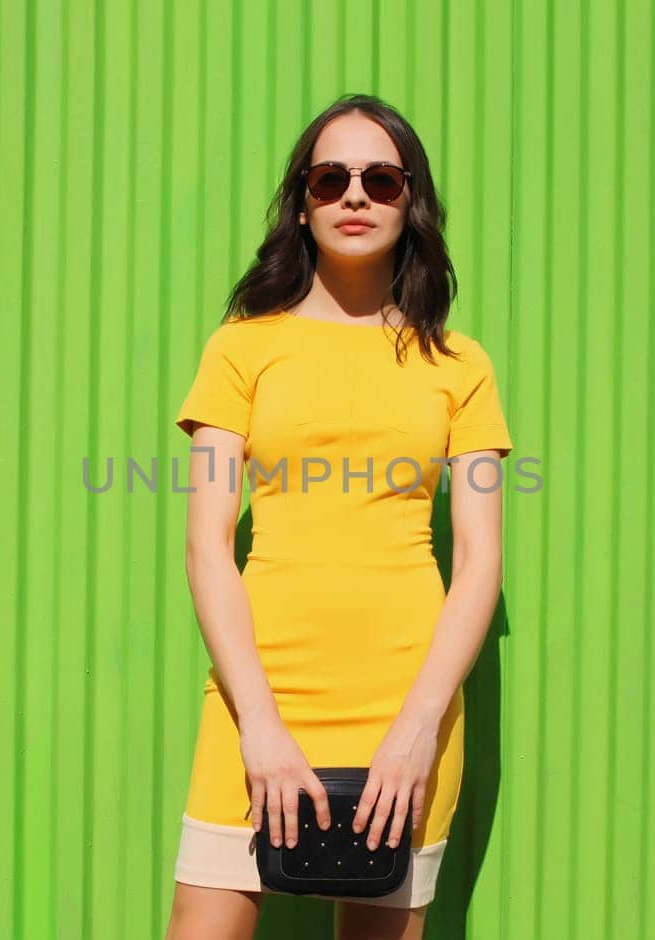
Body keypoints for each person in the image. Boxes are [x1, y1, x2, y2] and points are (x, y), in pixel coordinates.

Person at [165, 93, 513, 940]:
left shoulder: (459, 365)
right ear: (303, 201)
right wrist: (260, 725)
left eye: (381, 179)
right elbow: (208, 544)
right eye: (332, 178)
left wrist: (417, 731)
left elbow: (478, 565)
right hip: (260, 699)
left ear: (411, 200)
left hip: (407, 707)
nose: (355, 196)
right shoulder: (242, 347)